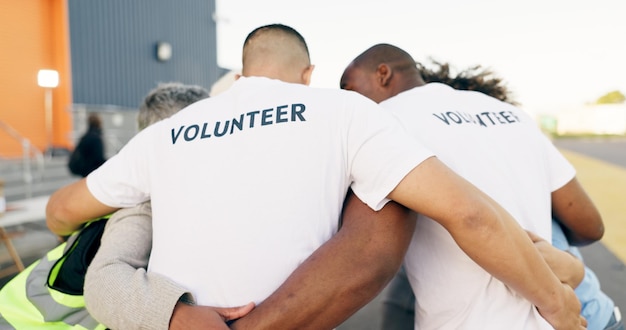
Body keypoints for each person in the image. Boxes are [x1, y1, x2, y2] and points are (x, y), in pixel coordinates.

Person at [47, 24, 584, 329]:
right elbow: (467, 213)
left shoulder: (169, 131)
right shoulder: (343, 113)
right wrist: (558, 300)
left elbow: (62, 211)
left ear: (242, 72)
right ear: (308, 75)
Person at [339, 43, 604, 329]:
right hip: (553, 318)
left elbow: (364, 253)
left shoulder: (381, 121)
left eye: (348, 88)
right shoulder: (507, 112)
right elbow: (589, 226)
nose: (347, 100)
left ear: (383, 74)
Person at [0, 82, 211, 329]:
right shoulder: (140, 204)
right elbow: (102, 280)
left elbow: (59, 215)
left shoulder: (129, 192)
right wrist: (176, 316)